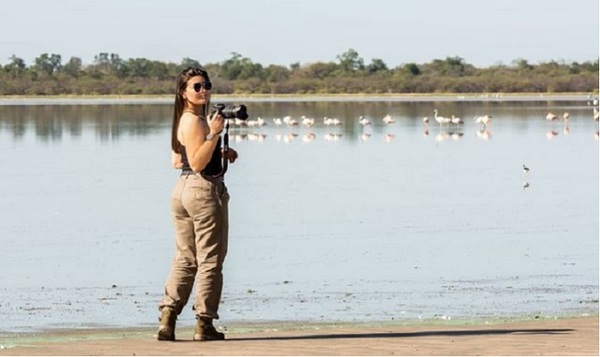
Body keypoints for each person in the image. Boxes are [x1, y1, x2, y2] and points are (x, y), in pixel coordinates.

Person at [157, 67, 238, 341]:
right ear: (184, 92)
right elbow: (199, 163)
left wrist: (219, 151)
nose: (204, 90)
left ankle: (167, 317)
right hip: (203, 192)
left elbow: (179, 161)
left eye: (207, 85)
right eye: (197, 87)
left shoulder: (181, 120)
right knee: (210, 260)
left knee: (185, 257)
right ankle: (204, 323)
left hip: (182, 189)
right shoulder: (195, 121)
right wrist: (214, 134)